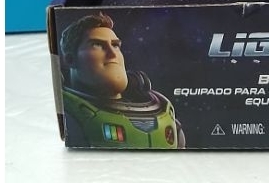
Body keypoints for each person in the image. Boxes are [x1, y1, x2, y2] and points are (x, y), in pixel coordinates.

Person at [59, 12, 185, 148]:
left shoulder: (164, 113)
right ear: (70, 59)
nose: (112, 53)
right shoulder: (70, 119)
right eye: (97, 45)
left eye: (115, 45)